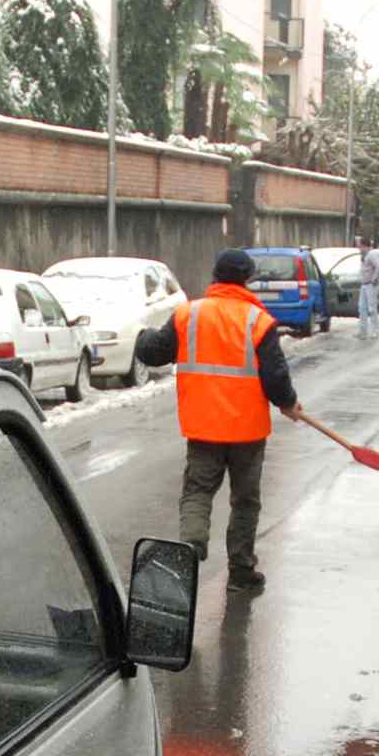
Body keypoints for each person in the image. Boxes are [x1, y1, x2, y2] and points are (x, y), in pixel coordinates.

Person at [136, 248, 302, 593]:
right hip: (248, 431)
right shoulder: (259, 321)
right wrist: (288, 403)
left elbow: (154, 353)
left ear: (215, 276)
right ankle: (241, 573)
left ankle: (190, 550)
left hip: (204, 427)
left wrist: (142, 338)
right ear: (247, 280)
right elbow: (275, 376)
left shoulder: (189, 315)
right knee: (245, 500)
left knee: (197, 492)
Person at [357, 236, 379, 340]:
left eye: (360, 246)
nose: (359, 248)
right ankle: (363, 331)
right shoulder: (364, 255)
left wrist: (374, 278)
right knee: (362, 308)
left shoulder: (371, 254)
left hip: (371, 285)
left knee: (372, 309)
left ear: (365, 246)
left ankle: (375, 331)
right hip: (364, 284)